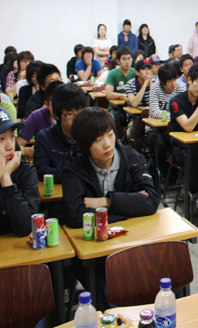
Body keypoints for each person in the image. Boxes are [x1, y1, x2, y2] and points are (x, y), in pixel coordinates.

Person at [63, 107, 159, 310]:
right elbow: (75, 216)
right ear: (85, 145)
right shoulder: (74, 169)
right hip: (96, 253)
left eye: (110, 134)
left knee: (161, 270)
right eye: (98, 140)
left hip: (133, 243)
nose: (107, 144)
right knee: (103, 283)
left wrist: (106, 202)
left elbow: (151, 201)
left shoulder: (131, 157)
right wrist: (126, 210)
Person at [0, 105, 39, 237]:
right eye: (1, 139)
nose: (10, 146)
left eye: (12, 136)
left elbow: (26, 228)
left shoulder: (25, 171)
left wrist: (6, 179)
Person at [33, 83, 87, 183]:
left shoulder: (90, 136)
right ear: (57, 116)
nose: (76, 119)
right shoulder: (44, 138)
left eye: (80, 113)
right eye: (70, 114)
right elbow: (41, 171)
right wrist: (74, 174)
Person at [169, 63, 198, 193]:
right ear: (189, 80)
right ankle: (192, 192)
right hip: (180, 148)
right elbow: (188, 127)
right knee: (195, 154)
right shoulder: (176, 101)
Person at [147, 63, 185, 174]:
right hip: (156, 129)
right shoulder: (155, 88)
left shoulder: (180, 87)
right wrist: (175, 115)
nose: (173, 83)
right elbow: (154, 112)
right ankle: (161, 171)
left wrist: (174, 115)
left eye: (175, 79)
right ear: (161, 82)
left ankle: (173, 174)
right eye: (169, 81)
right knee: (159, 144)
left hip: (174, 128)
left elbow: (184, 110)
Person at [17, 80, 62, 157]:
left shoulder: (74, 115)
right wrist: (26, 151)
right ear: (46, 104)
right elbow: (17, 145)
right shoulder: (36, 116)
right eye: (55, 105)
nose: (60, 108)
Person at [105, 47, 135, 139]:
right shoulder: (112, 74)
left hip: (133, 109)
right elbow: (108, 94)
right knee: (114, 117)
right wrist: (120, 96)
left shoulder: (135, 72)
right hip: (117, 109)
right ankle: (117, 141)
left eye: (129, 58)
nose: (127, 62)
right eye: (124, 59)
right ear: (118, 61)